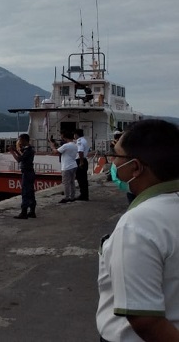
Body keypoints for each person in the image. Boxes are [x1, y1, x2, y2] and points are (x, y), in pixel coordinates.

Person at [97, 119, 179, 341]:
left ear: (135, 167)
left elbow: (145, 320)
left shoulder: (137, 225)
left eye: (116, 156)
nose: (112, 162)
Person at [10, 133, 36, 219]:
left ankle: (24, 212)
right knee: (31, 192)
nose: (19, 142)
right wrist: (16, 150)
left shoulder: (28, 150)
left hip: (27, 172)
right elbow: (22, 156)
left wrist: (12, 152)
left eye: (20, 140)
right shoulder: (29, 149)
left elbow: (19, 159)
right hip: (30, 172)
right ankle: (32, 211)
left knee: (25, 192)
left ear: (24, 140)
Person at [50, 130, 78, 203]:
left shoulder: (66, 145)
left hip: (66, 166)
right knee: (72, 182)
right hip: (73, 165)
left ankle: (66, 197)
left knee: (66, 183)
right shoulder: (75, 144)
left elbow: (55, 152)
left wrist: (52, 146)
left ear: (65, 138)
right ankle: (72, 196)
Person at [75, 129, 90, 201]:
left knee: (81, 179)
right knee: (84, 179)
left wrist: (81, 162)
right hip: (84, 160)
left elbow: (80, 151)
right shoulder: (84, 140)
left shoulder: (79, 141)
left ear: (76, 134)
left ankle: (83, 195)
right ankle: (85, 195)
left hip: (81, 160)